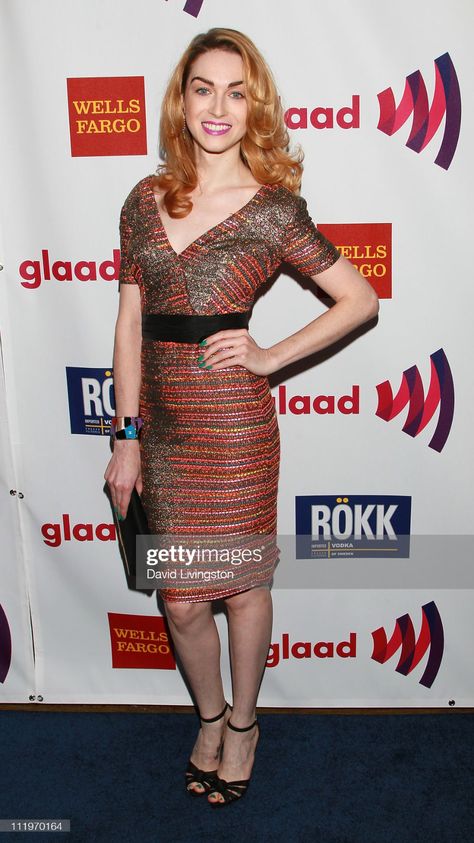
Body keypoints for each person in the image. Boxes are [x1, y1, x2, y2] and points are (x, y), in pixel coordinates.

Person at [104, 27, 379, 806]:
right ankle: (211, 714)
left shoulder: (272, 208)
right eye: (202, 88)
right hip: (162, 429)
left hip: (234, 431)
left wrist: (269, 356)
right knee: (181, 597)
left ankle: (247, 723)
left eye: (235, 90)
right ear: (181, 100)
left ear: (252, 104)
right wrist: (125, 436)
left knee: (240, 589)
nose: (217, 107)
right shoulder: (143, 199)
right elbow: (129, 324)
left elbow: (360, 300)